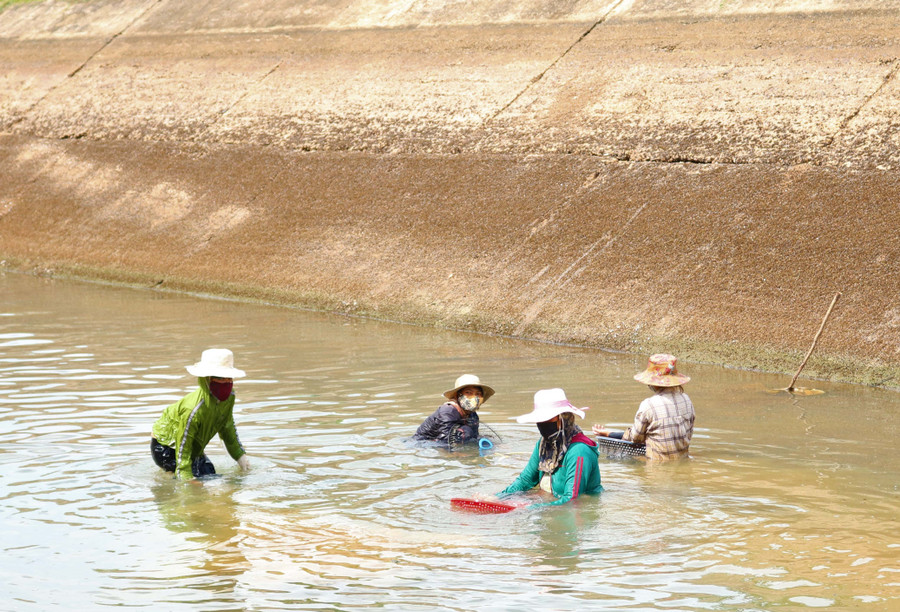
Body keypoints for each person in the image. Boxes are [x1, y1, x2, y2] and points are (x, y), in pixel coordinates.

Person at [151, 348, 251, 480]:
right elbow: (183, 444)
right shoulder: (193, 409)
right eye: (220, 378)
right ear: (207, 379)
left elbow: (227, 427)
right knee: (192, 480)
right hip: (166, 445)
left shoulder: (229, 398)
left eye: (229, 377)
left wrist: (240, 456)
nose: (226, 382)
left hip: (193, 446)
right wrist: (186, 478)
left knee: (211, 475)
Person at [496, 388, 602, 506]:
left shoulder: (579, 450)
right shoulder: (543, 444)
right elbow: (525, 481)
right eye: (540, 419)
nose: (542, 423)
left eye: (547, 418)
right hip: (548, 504)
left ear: (563, 418)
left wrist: (530, 508)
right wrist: (497, 497)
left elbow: (571, 500)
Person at [592, 353, 695, 460]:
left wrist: (608, 433)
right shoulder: (687, 400)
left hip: (656, 465)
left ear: (653, 382)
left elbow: (635, 438)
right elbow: (688, 433)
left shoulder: (649, 405)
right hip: (682, 459)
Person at [414, 374, 494, 448]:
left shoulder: (472, 415)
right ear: (457, 395)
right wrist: (458, 455)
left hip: (445, 441)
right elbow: (445, 442)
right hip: (423, 444)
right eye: (468, 393)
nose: (474, 397)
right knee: (466, 431)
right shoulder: (448, 411)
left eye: (478, 394)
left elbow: (474, 437)